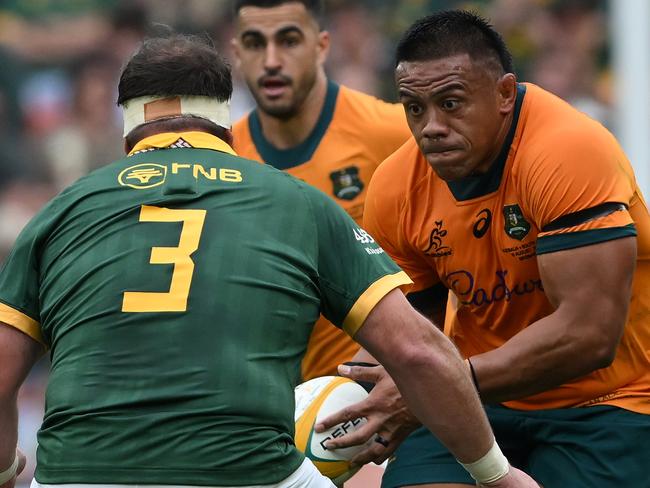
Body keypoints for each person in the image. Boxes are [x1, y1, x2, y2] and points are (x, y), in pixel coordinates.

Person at [0, 33, 537, 488]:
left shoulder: (60, 211)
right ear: (226, 118)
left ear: (129, 124)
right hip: (245, 470)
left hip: (81, 471)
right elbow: (419, 354)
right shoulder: (297, 203)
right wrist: (497, 475)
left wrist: (5, 469)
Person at [317, 9, 650, 488]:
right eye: (414, 108)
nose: (430, 127)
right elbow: (417, 326)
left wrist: (436, 386)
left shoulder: (568, 150)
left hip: (608, 402)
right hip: (480, 402)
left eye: (451, 103)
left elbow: (589, 336)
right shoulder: (394, 186)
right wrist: (369, 389)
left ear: (504, 94)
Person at [230, 0, 412, 380]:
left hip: (388, 392)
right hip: (278, 405)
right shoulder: (227, 160)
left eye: (289, 40)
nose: (271, 60)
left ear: (322, 46)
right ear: (236, 53)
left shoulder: (391, 133)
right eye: (254, 43)